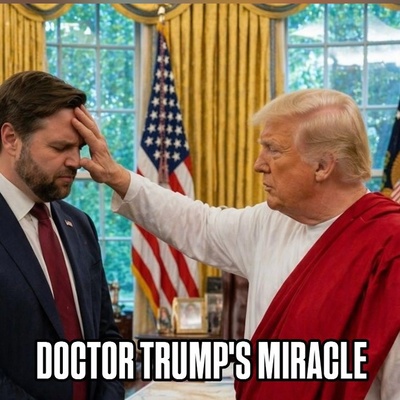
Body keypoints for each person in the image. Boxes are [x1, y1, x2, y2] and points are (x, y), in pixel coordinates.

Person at [73, 88, 400, 399]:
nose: (259, 164)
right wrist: (116, 176)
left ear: (323, 165)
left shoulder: (389, 247)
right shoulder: (272, 222)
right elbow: (199, 225)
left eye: (273, 149)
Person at [0, 71, 124, 400]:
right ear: (11, 139)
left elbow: (106, 335)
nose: (76, 162)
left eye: (78, 148)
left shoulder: (80, 226)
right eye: (60, 147)